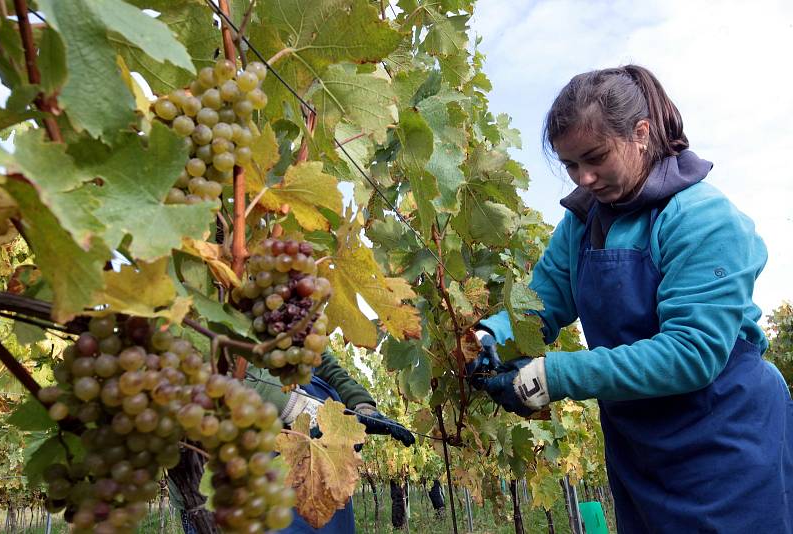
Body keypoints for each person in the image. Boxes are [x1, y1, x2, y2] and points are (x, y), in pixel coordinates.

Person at [468, 65, 793, 533]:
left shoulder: (703, 218)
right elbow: (542, 302)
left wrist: (553, 375)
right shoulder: (582, 224)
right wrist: (491, 333)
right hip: (640, 447)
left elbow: (691, 353)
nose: (583, 178)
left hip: (726, 440)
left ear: (641, 134)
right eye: (569, 165)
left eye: (594, 157)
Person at [170, 349, 415, 534]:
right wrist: (299, 408)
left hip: (314, 461)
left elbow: (320, 358)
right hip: (252, 469)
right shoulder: (217, 295)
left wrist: (361, 404)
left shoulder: (284, 306)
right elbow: (207, 359)